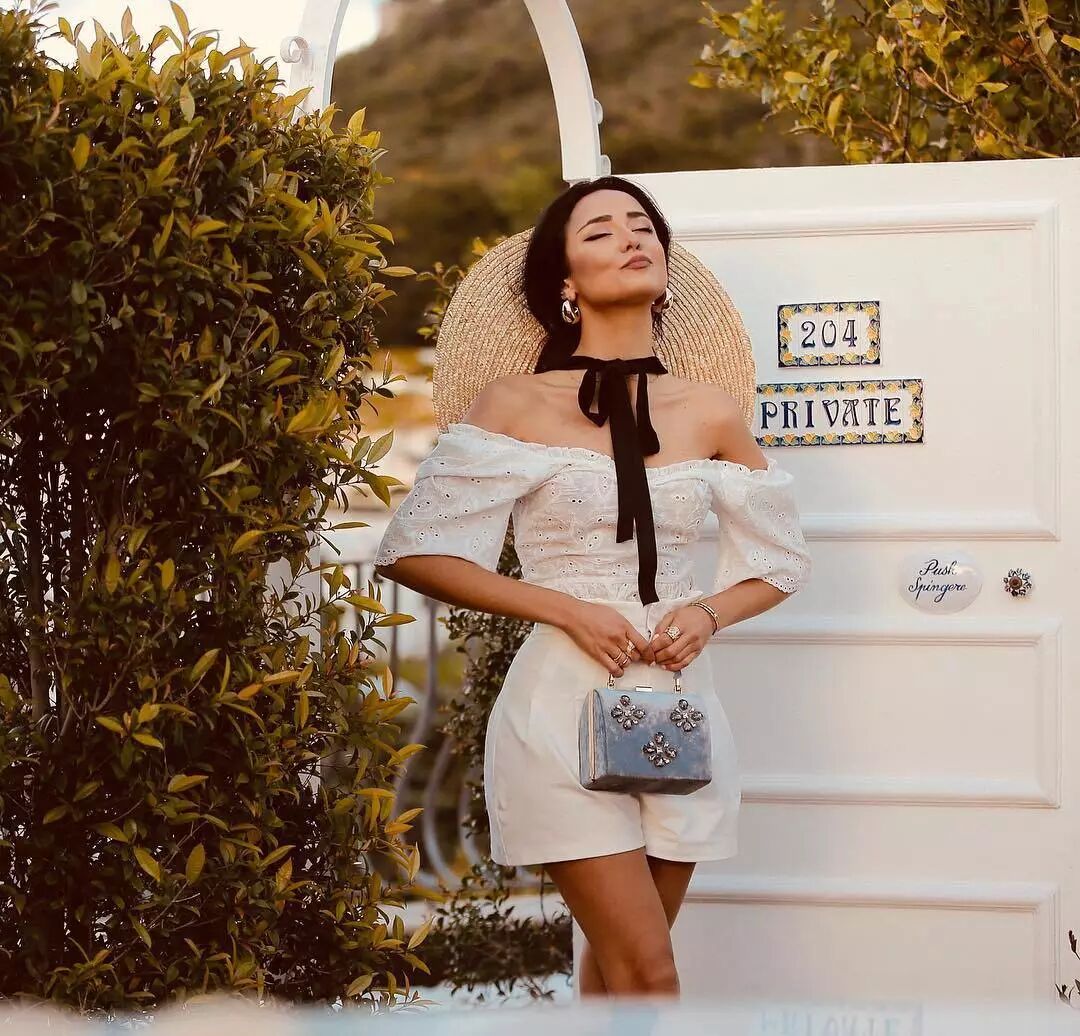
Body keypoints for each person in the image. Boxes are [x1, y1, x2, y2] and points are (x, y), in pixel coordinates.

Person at [373, 175, 812, 1000]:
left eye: (641, 225)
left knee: (617, 971)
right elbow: (415, 553)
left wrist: (708, 613)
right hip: (560, 704)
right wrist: (566, 609)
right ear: (565, 283)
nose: (629, 237)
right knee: (650, 969)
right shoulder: (514, 403)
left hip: (679, 705)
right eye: (600, 231)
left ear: (665, 266)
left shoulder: (711, 411)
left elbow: (780, 560)